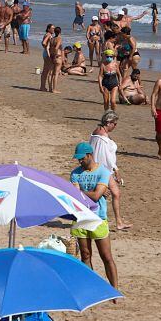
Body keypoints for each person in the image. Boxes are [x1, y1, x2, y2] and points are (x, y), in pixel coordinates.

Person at [69, 142, 117, 288]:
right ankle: (90, 287)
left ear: (89, 155)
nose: (80, 161)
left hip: (98, 218)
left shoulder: (103, 172)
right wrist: (96, 192)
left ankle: (114, 290)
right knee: (85, 254)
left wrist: (81, 192)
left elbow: (95, 197)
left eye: (82, 158)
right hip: (81, 218)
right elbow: (78, 196)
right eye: (78, 159)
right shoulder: (75, 173)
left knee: (106, 256)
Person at [89, 111, 131, 231]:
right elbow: (105, 157)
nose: (115, 126)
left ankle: (119, 222)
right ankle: (97, 221)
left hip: (103, 169)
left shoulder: (98, 132)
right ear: (108, 122)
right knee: (101, 195)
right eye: (114, 123)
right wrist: (116, 170)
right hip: (103, 170)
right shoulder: (102, 137)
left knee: (116, 193)